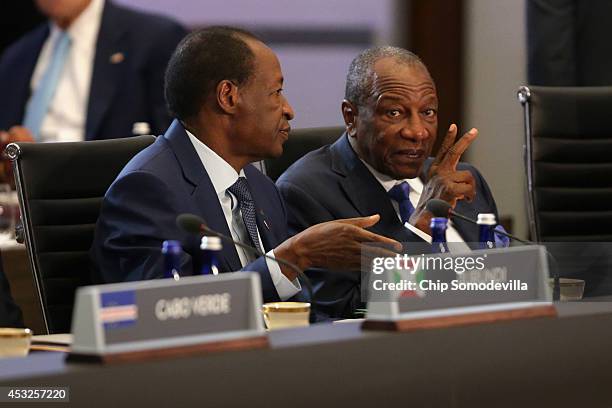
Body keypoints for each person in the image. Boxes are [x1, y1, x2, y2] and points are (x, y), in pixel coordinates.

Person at [90, 27, 402, 304]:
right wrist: (292, 257)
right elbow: (166, 309)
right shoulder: (148, 189)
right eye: (276, 92)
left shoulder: (261, 189)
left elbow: (295, 302)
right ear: (228, 96)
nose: (289, 110)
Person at [276, 46, 501, 318]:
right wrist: (422, 226)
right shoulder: (307, 192)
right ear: (351, 117)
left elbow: (510, 277)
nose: (417, 131)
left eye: (428, 112)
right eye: (394, 113)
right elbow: (339, 310)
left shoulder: (463, 181)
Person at [0, 0, 187, 146]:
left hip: (110, 190)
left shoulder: (155, 39)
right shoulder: (17, 56)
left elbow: (176, 145)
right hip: (17, 192)